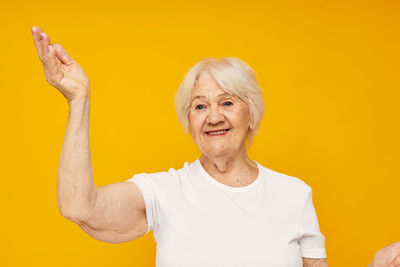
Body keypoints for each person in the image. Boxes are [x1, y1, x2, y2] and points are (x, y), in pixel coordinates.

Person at [31, 26, 329, 267]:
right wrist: (78, 100)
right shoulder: (163, 192)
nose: (213, 117)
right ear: (189, 120)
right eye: (200, 106)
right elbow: (78, 207)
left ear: (251, 113)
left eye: (227, 102)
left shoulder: (294, 195)